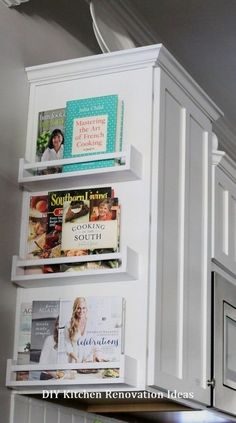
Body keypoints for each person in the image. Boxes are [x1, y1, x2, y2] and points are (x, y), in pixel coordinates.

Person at [64, 297, 102, 363]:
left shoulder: (92, 324)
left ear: (86, 309)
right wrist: (76, 359)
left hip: (88, 362)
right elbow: (68, 346)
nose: (81, 311)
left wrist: (96, 356)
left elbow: (96, 345)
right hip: (74, 362)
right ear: (75, 309)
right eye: (78, 308)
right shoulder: (68, 325)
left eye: (83, 308)